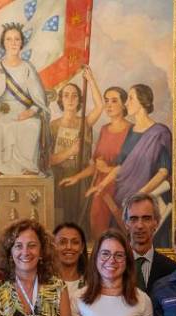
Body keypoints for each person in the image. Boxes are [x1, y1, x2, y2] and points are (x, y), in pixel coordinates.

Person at [0, 23, 48, 176]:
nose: (13, 43)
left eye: (17, 39)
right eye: (9, 39)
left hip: (22, 113)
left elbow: (39, 99)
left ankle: (27, 167)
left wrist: (31, 111)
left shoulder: (28, 68)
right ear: (3, 43)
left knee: (33, 124)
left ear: (22, 43)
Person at [61, 86, 130, 238]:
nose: (109, 105)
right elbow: (95, 165)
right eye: (106, 101)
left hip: (120, 191)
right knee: (98, 232)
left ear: (124, 104)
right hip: (99, 192)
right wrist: (76, 177)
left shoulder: (132, 130)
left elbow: (132, 167)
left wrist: (106, 170)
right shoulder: (104, 129)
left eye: (114, 101)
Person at [110, 84, 173, 247]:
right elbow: (122, 165)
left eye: (130, 98)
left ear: (142, 101)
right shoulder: (130, 130)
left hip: (148, 201)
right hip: (123, 197)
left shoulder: (159, 132)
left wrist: (138, 195)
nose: (126, 103)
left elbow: (163, 172)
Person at [50, 70, 103, 227]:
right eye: (66, 95)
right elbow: (48, 159)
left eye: (75, 95)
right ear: (60, 100)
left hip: (81, 177)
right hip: (59, 178)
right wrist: (70, 152)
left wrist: (91, 79)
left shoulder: (84, 123)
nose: (70, 99)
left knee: (80, 221)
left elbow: (100, 106)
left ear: (80, 100)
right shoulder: (53, 126)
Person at [122, 193, 176, 291]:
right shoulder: (114, 266)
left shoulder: (173, 270)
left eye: (146, 219)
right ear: (126, 224)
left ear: (156, 222)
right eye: (133, 219)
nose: (140, 225)